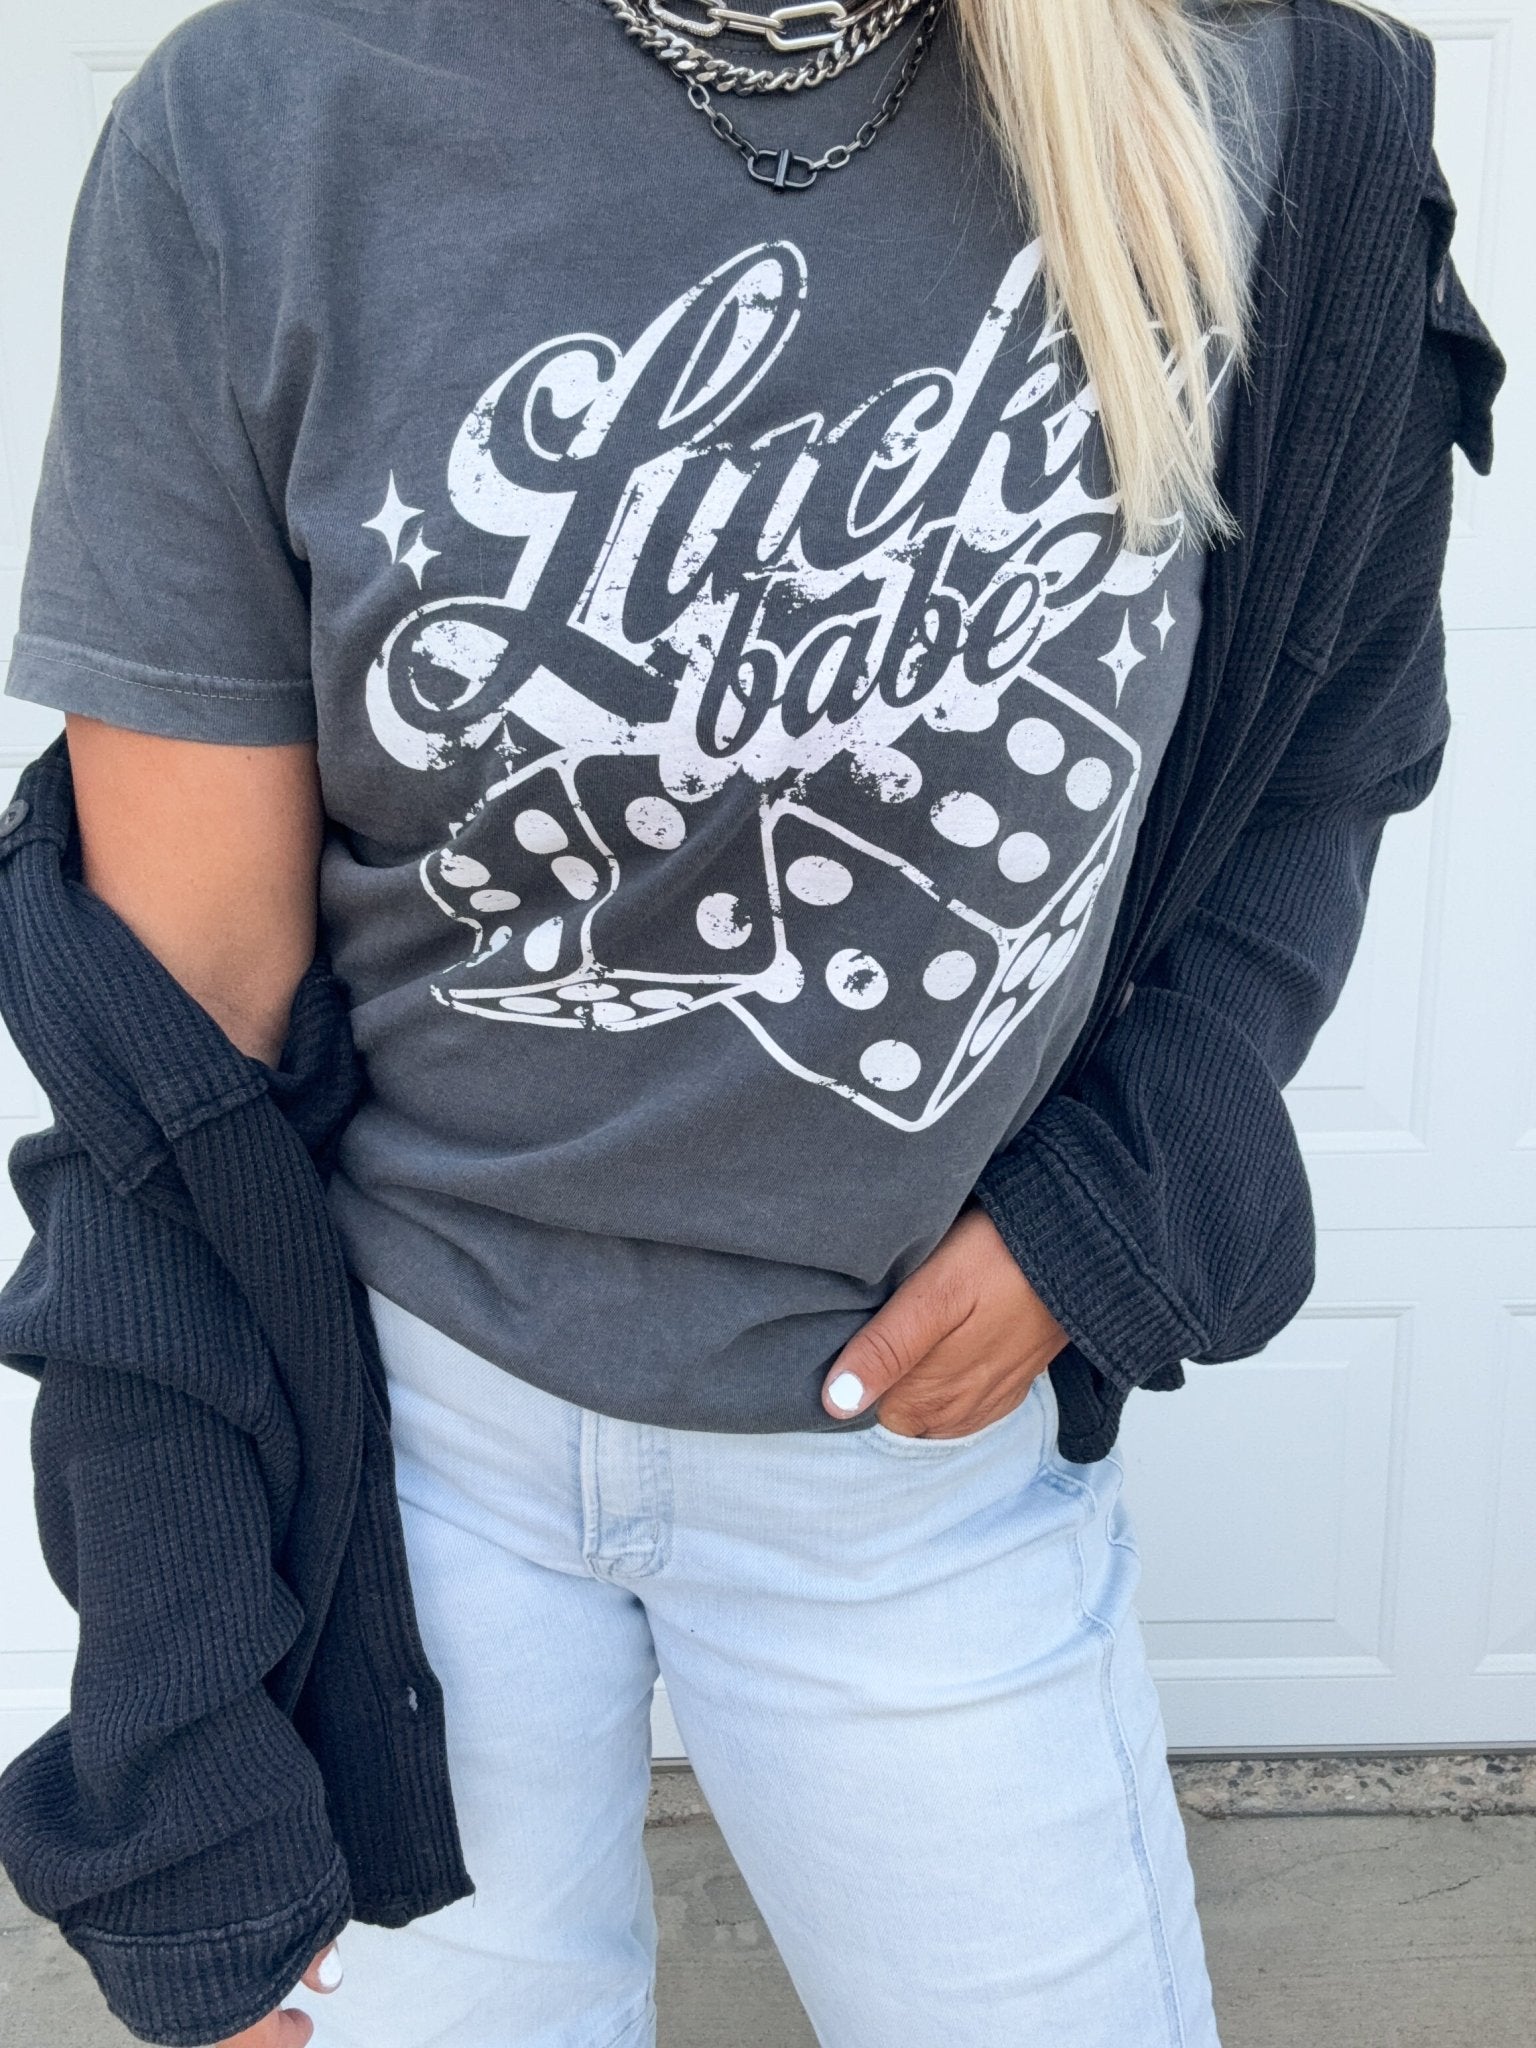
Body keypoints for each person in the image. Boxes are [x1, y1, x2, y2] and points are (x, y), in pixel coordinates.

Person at [0, 0, 1501, 2043]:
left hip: (911, 1473)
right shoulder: (263, 124)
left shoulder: (1270, 107)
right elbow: (169, 1045)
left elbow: (1321, 754)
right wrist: (180, 1742)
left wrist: (1113, 1204)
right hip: (402, 1457)